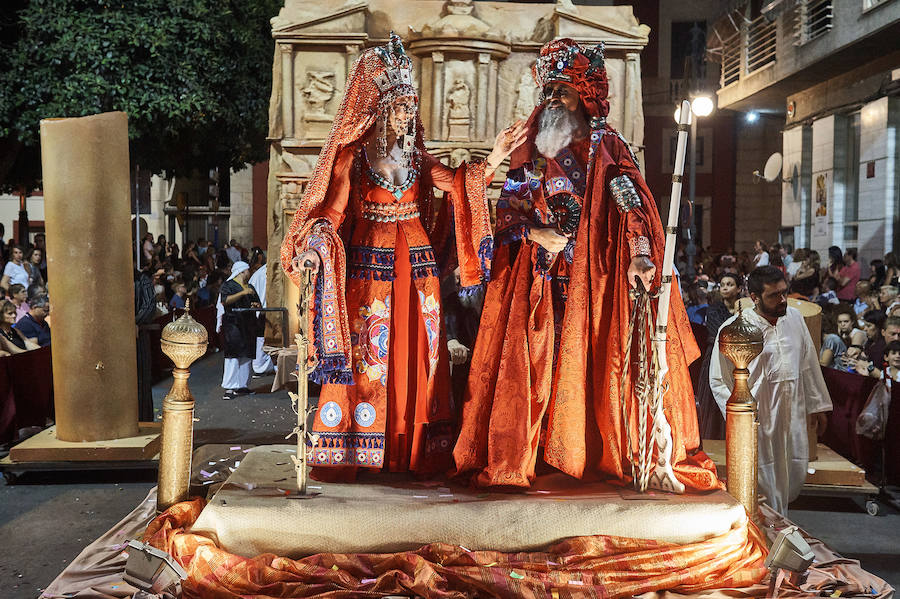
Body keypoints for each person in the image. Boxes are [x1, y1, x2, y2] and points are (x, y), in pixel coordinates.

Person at [453, 38, 719, 491]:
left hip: (592, 277)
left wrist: (638, 252)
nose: (554, 100)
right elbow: (512, 207)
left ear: (586, 93)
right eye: (550, 90)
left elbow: (628, 199)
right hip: (538, 273)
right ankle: (531, 452)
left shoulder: (606, 143)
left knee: (590, 363)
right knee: (535, 365)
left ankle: (585, 451)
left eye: (564, 90)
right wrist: (532, 233)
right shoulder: (532, 145)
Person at [283, 35, 525, 478]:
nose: (407, 115)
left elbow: (456, 184)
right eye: (399, 107)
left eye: (411, 108)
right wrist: (316, 248)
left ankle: (415, 450)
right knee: (370, 355)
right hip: (369, 269)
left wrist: (493, 157)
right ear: (378, 110)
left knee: (421, 353)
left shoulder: (417, 156)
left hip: (419, 269)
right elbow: (331, 212)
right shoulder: (353, 161)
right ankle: (365, 447)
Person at [710, 266, 832, 515]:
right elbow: (718, 380)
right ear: (754, 297)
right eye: (774, 295)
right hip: (758, 419)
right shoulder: (734, 329)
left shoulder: (795, 319)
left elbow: (808, 364)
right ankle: (767, 538)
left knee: (792, 473)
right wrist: (739, 419)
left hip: (793, 413)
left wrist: (817, 406)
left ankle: (781, 531)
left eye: (784, 293)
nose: (783, 300)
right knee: (762, 480)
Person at [695, 272, 743, 440]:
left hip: (738, 359)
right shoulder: (714, 309)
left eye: (730, 284)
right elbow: (720, 332)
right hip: (715, 356)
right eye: (722, 284)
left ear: (739, 289)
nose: (725, 287)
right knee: (712, 399)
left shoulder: (745, 309)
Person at [218, 261, 262, 400]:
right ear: (242, 272)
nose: (250, 273)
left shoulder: (250, 286)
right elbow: (225, 301)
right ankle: (230, 387)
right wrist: (243, 293)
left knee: (246, 356)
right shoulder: (228, 286)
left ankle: (243, 386)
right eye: (248, 271)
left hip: (248, 325)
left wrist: (256, 305)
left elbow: (257, 303)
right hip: (233, 324)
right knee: (233, 356)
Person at [247, 248, 274, 377]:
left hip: (263, 310)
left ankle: (262, 365)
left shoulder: (258, 274)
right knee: (261, 339)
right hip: (262, 312)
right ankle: (260, 366)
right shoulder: (260, 274)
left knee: (263, 339)